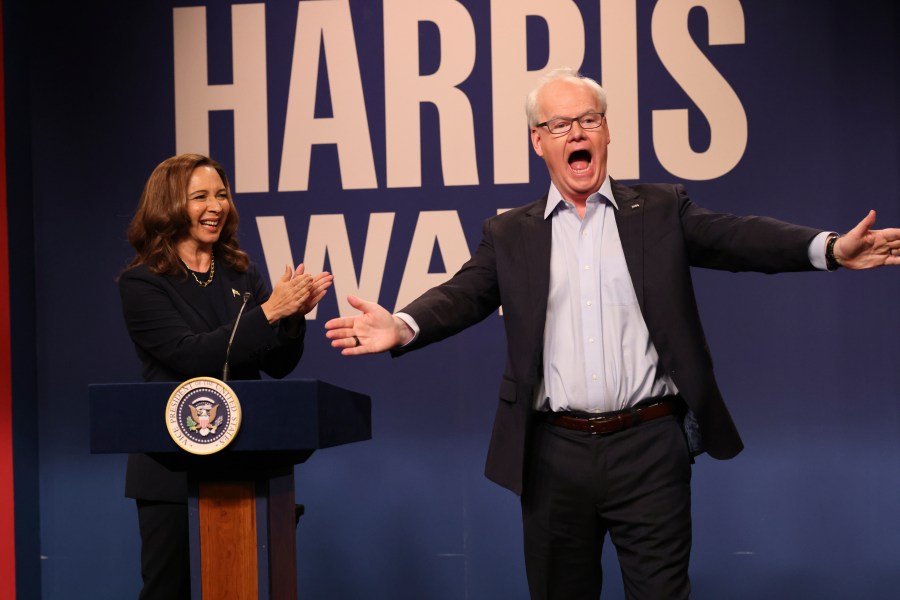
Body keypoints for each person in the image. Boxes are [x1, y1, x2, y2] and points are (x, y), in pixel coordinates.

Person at [323, 67, 900, 599]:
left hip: (649, 446)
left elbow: (738, 238)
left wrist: (828, 248)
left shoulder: (659, 208)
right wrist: (401, 325)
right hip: (551, 454)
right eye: (560, 124)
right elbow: (464, 293)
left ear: (606, 132)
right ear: (538, 141)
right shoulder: (509, 234)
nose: (577, 131)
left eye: (589, 119)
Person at [119, 153, 332, 600]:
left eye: (221, 195)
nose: (216, 205)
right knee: (167, 590)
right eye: (200, 196)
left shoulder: (240, 272)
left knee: (245, 585)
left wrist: (292, 321)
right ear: (169, 205)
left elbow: (276, 364)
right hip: (170, 467)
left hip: (244, 460)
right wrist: (272, 310)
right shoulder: (142, 283)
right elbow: (189, 355)